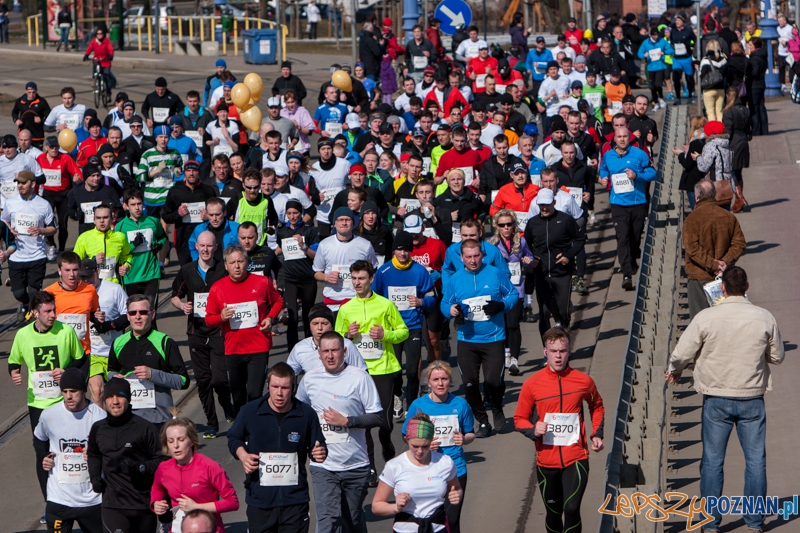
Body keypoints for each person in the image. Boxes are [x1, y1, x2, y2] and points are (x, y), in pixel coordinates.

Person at [665, 267, 783, 533]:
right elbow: (777, 356)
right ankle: (754, 522)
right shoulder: (764, 317)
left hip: (716, 398)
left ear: (724, 289)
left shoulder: (706, 317)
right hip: (752, 397)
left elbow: (681, 352)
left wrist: (675, 370)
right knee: (755, 461)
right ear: (747, 287)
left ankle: (711, 522)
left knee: (712, 461)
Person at [514, 326, 605, 533]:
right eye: (553, 351)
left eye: (562, 351)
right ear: (545, 351)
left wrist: (597, 433)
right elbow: (519, 419)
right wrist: (533, 429)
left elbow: (597, 406)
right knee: (553, 512)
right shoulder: (532, 384)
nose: (558, 356)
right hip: (547, 460)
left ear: (569, 351)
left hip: (576, 456)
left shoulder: (583, 381)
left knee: (572, 508)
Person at [9, 290, 87, 520]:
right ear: (35, 313)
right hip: (39, 403)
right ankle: (50, 502)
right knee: (42, 453)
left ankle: (79, 496)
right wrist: (14, 373)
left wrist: (67, 371)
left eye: (54, 309)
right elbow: (14, 361)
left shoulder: (65, 331)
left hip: (65, 400)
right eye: (48, 311)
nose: (54, 314)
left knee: (72, 447)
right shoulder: (23, 335)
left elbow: (81, 358)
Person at [295, 331, 383, 533]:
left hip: (355, 464)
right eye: (325, 351)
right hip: (323, 465)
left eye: (335, 350)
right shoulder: (309, 379)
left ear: (344, 351)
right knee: (328, 519)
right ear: (319, 353)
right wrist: (308, 443)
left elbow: (378, 417)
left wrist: (347, 421)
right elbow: (300, 415)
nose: (330, 355)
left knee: (351, 519)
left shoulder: (359, 377)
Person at [227, 362, 327, 532]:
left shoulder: (306, 413)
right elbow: (233, 438)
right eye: (275, 386)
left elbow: (319, 445)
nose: (279, 393)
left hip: (294, 501)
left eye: (285, 388)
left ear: (293, 388)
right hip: (260, 500)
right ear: (268, 385)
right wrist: (243, 455)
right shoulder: (250, 411)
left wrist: (320, 452)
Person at [335, 260, 409, 484]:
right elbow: (336, 339)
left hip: (383, 369)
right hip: (357, 372)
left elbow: (403, 331)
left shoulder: (386, 305)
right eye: (354, 278)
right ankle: (370, 468)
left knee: (384, 423)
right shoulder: (346, 308)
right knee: (364, 423)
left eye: (362, 278)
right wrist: (347, 334)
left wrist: (385, 334)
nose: (357, 283)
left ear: (371, 279)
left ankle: (386, 441)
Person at [441, 238, 517, 438]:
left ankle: (497, 407)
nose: (473, 260)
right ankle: (483, 422)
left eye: (476, 256)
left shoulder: (495, 273)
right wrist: (451, 310)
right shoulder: (455, 279)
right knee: (469, 384)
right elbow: (445, 303)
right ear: (462, 257)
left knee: (493, 382)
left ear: (482, 254)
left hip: (493, 339)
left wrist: (501, 305)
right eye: (468, 257)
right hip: (467, 340)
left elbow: (513, 294)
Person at [205, 244, 284, 415]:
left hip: (258, 346)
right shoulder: (217, 288)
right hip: (233, 349)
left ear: (247, 262)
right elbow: (209, 319)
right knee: (239, 397)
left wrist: (270, 318)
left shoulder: (262, 282)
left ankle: (256, 430)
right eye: (232, 262)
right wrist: (221, 317)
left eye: (240, 261)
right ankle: (243, 431)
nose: (237, 266)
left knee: (254, 393)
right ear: (226, 265)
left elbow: (278, 301)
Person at [170, 231, 233, 439]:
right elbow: (174, 297)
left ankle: (228, 407)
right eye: (202, 246)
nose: (205, 250)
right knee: (203, 380)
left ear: (216, 248)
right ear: (196, 247)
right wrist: (182, 306)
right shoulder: (187, 270)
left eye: (209, 246)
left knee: (220, 379)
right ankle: (212, 424)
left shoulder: (224, 269)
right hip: (196, 331)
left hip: (219, 331)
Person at [401, 362, 473, 533]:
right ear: (429, 382)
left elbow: (471, 433)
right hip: (426, 470)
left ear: (450, 380)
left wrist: (464, 439)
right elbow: (406, 436)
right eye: (436, 379)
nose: (440, 383)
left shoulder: (461, 404)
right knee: (431, 520)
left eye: (444, 379)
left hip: (455, 469)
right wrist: (424, 446)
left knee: (452, 520)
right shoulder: (418, 405)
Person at [87, 378, 166, 533]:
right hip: (113, 505)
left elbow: (163, 461)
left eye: (120, 396)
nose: (115, 401)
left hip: (142, 504)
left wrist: (140, 467)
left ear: (129, 399)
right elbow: (93, 454)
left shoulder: (145, 428)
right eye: (110, 397)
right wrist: (95, 478)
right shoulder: (98, 428)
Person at [34, 367, 106, 533]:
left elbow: (111, 451)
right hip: (59, 500)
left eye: (73, 391)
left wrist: (96, 454)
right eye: (64, 391)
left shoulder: (99, 417)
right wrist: (43, 456)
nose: (68, 396)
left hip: (92, 499)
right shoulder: (49, 415)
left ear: (83, 391)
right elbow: (39, 438)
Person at [372, 231, 435, 411]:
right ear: (394, 251)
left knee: (413, 370)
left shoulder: (419, 271)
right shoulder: (384, 272)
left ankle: (412, 404)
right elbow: (374, 298)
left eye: (406, 250)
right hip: (391, 329)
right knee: (396, 371)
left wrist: (421, 301)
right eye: (399, 249)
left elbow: (432, 297)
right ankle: (398, 393)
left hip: (413, 327)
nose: (402, 253)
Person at [372, 412, 462, 531]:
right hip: (405, 529)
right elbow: (376, 506)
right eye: (415, 446)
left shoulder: (444, 462)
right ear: (407, 440)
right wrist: (396, 507)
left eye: (425, 446)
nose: (420, 451)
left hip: (437, 527)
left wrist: (457, 495)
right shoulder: (394, 466)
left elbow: (456, 488)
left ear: (431, 440)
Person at [108, 294, 189, 425]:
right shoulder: (118, 342)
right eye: (133, 313)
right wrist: (114, 377)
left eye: (143, 312)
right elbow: (111, 371)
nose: (138, 317)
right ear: (128, 316)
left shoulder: (165, 342)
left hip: (158, 419)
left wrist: (153, 374)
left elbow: (183, 381)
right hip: (128, 419)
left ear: (152, 315)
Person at [151, 413, 239, 532]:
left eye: (181, 440)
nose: (176, 446)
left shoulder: (209, 467)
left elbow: (232, 502)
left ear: (192, 441)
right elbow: (157, 489)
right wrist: (156, 503)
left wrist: (197, 507)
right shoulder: (164, 468)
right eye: (170, 441)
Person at [598, 128, 656, 290]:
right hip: (618, 204)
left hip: (638, 203)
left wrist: (637, 176)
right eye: (619, 137)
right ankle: (626, 274)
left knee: (634, 238)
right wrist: (602, 178)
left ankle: (632, 260)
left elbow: (653, 173)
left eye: (625, 136)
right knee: (622, 238)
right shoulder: (608, 155)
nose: (622, 139)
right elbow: (603, 169)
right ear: (614, 139)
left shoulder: (639, 154)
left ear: (629, 138)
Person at [682, 179, 746, 319]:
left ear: (697, 196)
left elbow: (692, 248)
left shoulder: (691, 220)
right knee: (725, 320)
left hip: (699, 277)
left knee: (701, 322)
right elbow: (740, 243)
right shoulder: (728, 217)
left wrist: (712, 265)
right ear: (714, 194)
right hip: (725, 277)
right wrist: (724, 262)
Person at [524, 189, 585, 337]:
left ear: (554, 203)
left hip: (562, 273)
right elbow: (526, 244)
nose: (544, 208)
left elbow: (580, 239)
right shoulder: (533, 223)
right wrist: (531, 257)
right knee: (544, 313)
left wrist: (568, 256)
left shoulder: (565, 220)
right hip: (542, 274)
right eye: (541, 205)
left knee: (563, 311)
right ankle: (547, 348)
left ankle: (564, 337)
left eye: (547, 204)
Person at [0, 170, 56, 319]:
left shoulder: (43, 205)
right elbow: (4, 221)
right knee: (19, 293)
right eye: (18, 183)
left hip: (37, 255)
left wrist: (41, 230)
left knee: (33, 292)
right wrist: (9, 228)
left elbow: (53, 229)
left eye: (23, 183)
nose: (20, 186)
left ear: (33, 183)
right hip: (16, 256)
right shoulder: (10, 203)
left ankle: (32, 318)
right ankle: (25, 304)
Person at [489, 210, 535, 375]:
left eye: (509, 224)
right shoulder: (491, 245)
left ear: (514, 225)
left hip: (516, 290)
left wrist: (528, 262)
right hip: (498, 291)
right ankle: (506, 352)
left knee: (513, 324)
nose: (506, 228)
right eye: (502, 225)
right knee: (502, 325)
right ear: (496, 226)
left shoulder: (521, 242)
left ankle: (514, 359)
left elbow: (530, 259)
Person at [80, 258, 128, 412]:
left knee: (116, 394)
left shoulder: (114, 289)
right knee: (97, 392)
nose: (86, 280)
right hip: (92, 353)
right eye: (83, 276)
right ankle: (101, 428)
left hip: (113, 352)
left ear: (98, 272)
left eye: (89, 275)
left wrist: (110, 325)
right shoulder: (78, 293)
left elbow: (128, 315)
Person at [313, 207, 378, 311]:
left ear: (353, 223)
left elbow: (373, 269)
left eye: (347, 220)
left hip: (358, 301)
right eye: (340, 220)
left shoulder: (365, 245)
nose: (344, 223)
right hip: (333, 302)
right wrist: (327, 277)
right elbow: (316, 272)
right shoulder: (324, 245)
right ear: (335, 223)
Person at [162, 160, 218, 266]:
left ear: (199, 173)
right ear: (184, 173)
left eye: (194, 170)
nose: (191, 173)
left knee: (206, 267)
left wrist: (209, 216)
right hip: (183, 238)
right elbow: (166, 217)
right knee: (187, 271)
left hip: (204, 238)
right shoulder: (175, 191)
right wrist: (178, 214)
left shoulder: (208, 191)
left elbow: (218, 213)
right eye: (188, 170)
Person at [117, 189, 166, 298]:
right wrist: (133, 244)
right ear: (126, 206)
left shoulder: (153, 221)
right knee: (135, 310)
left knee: (150, 309)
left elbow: (163, 237)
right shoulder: (120, 226)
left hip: (151, 273)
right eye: (133, 204)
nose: (137, 207)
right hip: (131, 276)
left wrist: (159, 245)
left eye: (139, 203)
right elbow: (117, 251)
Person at [38, 136, 81, 254]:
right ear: (46, 147)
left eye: (56, 147)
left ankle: (61, 250)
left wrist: (78, 179)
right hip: (48, 195)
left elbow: (76, 172)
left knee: (63, 224)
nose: (54, 149)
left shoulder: (65, 158)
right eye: (51, 147)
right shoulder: (40, 159)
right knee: (48, 223)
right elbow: (36, 176)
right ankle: (51, 245)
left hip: (64, 195)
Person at [73, 203, 132, 284]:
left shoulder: (120, 237)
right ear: (94, 220)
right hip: (92, 285)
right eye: (98, 218)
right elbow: (74, 262)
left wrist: (126, 266)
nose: (101, 221)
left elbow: (128, 255)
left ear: (112, 219)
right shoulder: (84, 237)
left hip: (114, 284)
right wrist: (93, 261)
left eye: (105, 217)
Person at [66, 165, 120, 235]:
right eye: (93, 176)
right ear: (85, 177)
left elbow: (119, 208)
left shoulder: (108, 190)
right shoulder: (76, 191)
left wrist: (113, 213)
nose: (96, 178)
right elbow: (69, 208)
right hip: (85, 231)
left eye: (98, 175)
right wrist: (75, 214)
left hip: (105, 232)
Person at [188, 197, 240, 263]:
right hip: (208, 269)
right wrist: (197, 261)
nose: (214, 218)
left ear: (224, 212)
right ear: (207, 213)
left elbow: (244, 248)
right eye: (211, 215)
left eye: (218, 214)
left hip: (230, 269)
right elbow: (192, 246)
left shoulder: (236, 228)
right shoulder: (199, 229)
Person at [673, 116, 707, 209]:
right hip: (707, 181)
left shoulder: (694, 142)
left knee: (697, 212)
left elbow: (687, 164)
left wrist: (680, 155)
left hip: (694, 182)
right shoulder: (708, 140)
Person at [638, 27, 673, 110]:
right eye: (654, 35)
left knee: (658, 84)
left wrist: (664, 52)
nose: (656, 36)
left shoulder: (662, 41)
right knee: (652, 86)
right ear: (650, 35)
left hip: (660, 66)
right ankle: (656, 102)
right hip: (650, 67)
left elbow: (671, 50)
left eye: (657, 34)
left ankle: (660, 97)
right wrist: (644, 55)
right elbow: (639, 53)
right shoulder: (646, 43)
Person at [12, 82, 52, 148]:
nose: (31, 95)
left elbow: (50, 117)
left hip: (37, 137)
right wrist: (16, 120)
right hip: (24, 137)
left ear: (36, 91)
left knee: (36, 157)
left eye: (33, 92)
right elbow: (14, 112)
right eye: (29, 92)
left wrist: (41, 120)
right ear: (25, 91)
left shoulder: (42, 102)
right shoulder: (19, 101)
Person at [699, 40, 728, 122]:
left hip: (708, 89)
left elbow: (701, 74)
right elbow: (726, 73)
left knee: (710, 112)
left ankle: (713, 131)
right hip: (721, 88)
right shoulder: (723, 60)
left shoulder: (705, 60)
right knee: (719, 111)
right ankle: (721, 130)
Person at [82, 27, 115, 97]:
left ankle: (108, 91)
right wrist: (86, 55)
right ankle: (94, 79)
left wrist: (110, 55)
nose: (99, 35)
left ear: (104, 34)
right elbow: (89, 48)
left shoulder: (107, 41)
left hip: (105, 61)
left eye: (101, 34)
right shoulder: (94, 41)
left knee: (107, 76)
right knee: (95, 68)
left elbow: (110, 49)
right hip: (97, 60)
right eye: (98, 34)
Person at [748, 37, 769, 136]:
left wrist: (748, 73)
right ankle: (764, 129)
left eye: (750, 45)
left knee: (754, 108)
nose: (749, 47)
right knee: (761, 107)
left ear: (755, 46)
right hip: (761, 84)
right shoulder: (762, 55)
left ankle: (756, 130)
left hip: (754, 85)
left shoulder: (755, 57)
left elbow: (755, 72)